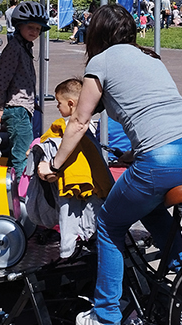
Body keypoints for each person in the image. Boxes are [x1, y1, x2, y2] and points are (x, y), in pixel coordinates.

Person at [36, 4, 182, 325]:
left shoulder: (100, 62)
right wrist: (133, 155)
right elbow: (159, 113)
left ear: (96, 33)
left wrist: (54, 164)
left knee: (109, 225)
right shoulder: (151, 58)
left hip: (163, 160)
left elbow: (78, 122)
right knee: (148, 207)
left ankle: (105, 314)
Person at [25, 78, 112, 258]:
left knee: (70, 218)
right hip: (94, 184)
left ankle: (68, 252)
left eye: (59, 103)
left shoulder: (68, 128)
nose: (57, 106)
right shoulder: (87, 129)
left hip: (73, 183)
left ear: (71, 104)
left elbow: (54, 145)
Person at [0, 1, 50, 178]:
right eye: (30, 27)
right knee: (22, 155)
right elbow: (2, 78)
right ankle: (22, 189)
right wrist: (0, 106)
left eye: (38, 29)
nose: (34, 32)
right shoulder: (15, 48)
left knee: (20, 151)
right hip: (16, 108)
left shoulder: (24, 47)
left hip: (24, 107)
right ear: (19, 26)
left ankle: (16, 186)